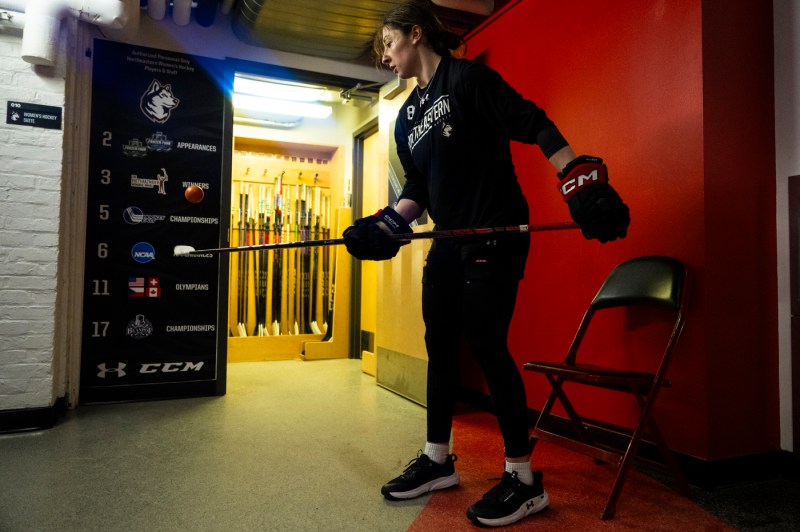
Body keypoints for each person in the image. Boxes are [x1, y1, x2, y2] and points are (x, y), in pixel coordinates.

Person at [342, 0, 630, 527]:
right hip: (450, 241)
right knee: (438, 344)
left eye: (387, 43)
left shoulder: (469, 80)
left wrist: (576, 176)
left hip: (496, 233)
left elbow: (531, 121)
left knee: (486, 342)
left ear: (415, 33)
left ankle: (522, 479)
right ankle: (437, 461)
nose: (384, 56)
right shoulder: (406, 118)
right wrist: (388, 224)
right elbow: (418, 192)